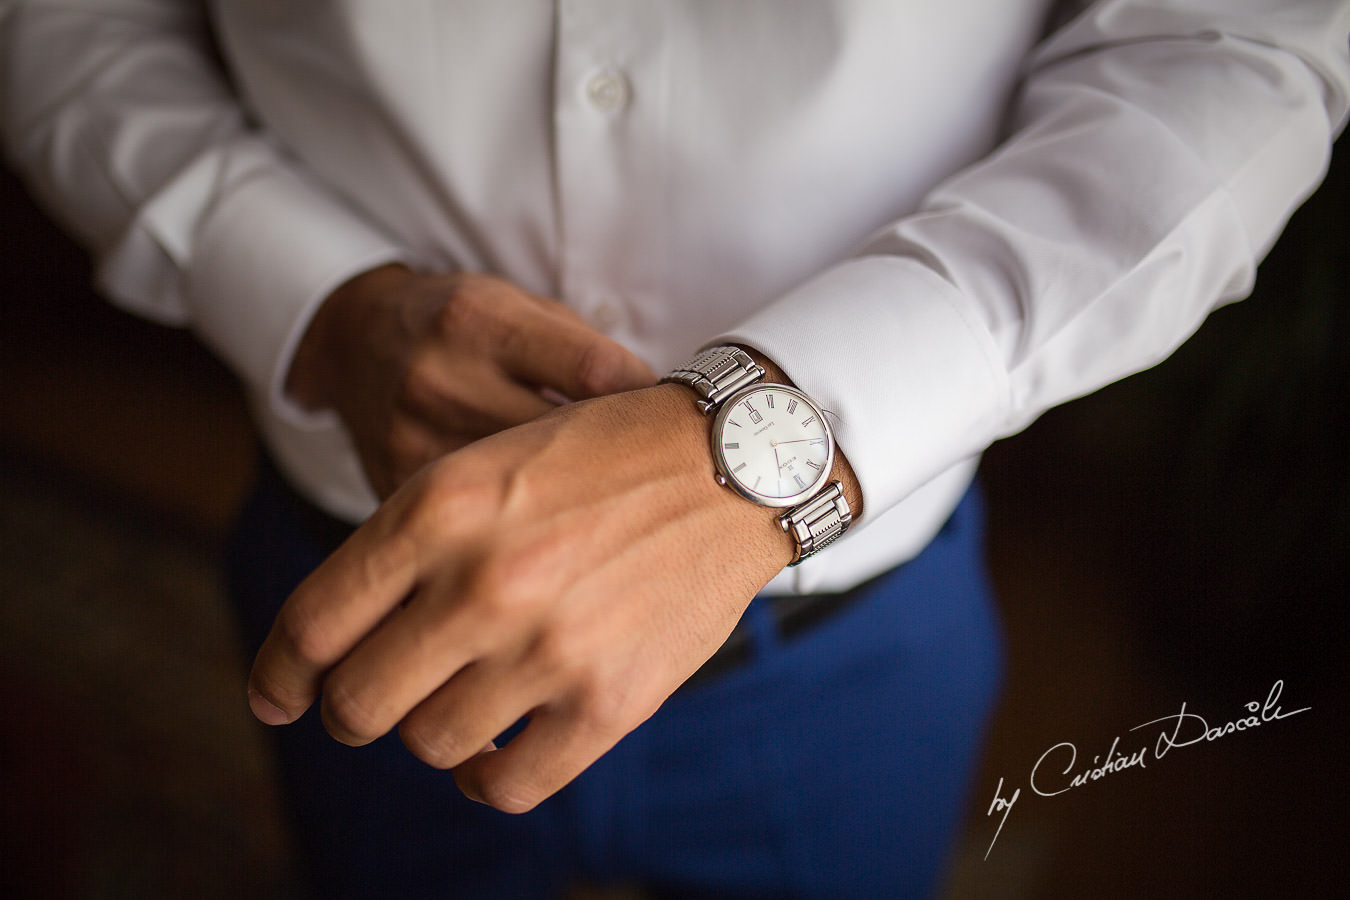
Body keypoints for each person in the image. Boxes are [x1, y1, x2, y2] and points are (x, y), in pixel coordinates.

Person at [4, 1, 1347, 896]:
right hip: (368, 587)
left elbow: (1230, 46)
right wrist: (307, 290)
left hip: (851, 639)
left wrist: (776, 429)